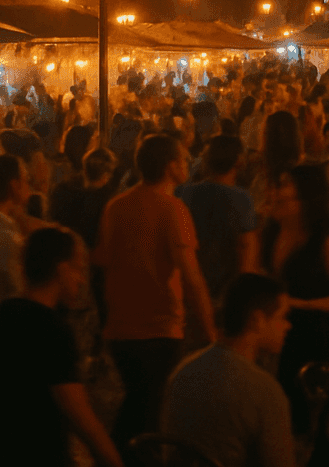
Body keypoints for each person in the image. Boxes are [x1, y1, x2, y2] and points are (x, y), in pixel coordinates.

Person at [94, 133, 216, 450]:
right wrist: (210, 331)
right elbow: (191, 277)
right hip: (159, 327)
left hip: (121, 327)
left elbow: (105, 263)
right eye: (183, 158)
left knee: (139, 405)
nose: (189, 163)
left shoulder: (116, 206)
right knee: (148, 416)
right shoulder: (173, 210)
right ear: (169, 166)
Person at [0, 227, 122, 467]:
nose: (81, 280)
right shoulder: (52, 329)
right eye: (78, 269)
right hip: (38, 455)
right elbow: (79, 415)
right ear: (61, 269)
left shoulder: (2, 313)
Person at [262, 162, 329, 433]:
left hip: (324, 340)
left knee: (321, 423)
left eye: (285, 186)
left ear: (307, 197)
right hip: (288, 338)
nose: (277, 193)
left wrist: (301, 304)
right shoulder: (274, 231)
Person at [162, 273, 294, 467]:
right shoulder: (264, 390)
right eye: (282, 317)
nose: (288, 325)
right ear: (257, 320)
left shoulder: (184, 370)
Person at [176, 134, 259, 301]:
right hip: (226, 291)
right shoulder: (241, 199)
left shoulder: (184, 193)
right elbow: (247, 247)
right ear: (239, 161)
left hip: (189, 287)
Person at [0, 154, 31, 319]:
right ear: (14, 186)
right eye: (26, 179)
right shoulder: (7, 239)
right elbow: (20, 292)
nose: (29, 186)